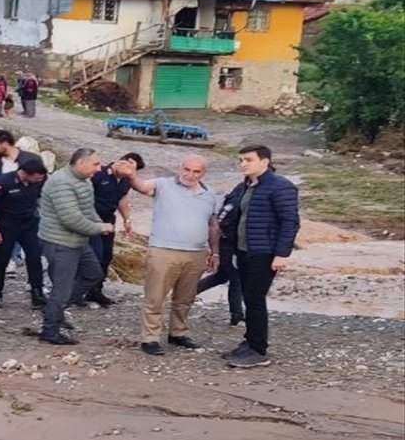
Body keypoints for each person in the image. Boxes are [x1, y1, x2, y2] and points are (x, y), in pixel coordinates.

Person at [122, 155, 219, 356]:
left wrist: (215, 252)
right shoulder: (163, 185)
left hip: (196, 253)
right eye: (187, 169)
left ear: (204, 173)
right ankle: (150, 338)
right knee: (155, 296)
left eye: (196, 171)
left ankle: (178, 332)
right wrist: (132, 175)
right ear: (180, 168)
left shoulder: (210, 194)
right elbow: (142, 186)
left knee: (185, 297)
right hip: (163, 250)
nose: (190, 175)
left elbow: (212, 225)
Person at [220, 145, 300, 368]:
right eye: (241, 160)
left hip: (264, 252)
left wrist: (282, 254)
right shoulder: (245, 186)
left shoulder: (280, 186)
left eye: (248, 160)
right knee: (249, 297)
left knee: (255, 299)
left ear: (264, 162)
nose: (243, 164)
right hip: (244, 251)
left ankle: (258, 350)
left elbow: (290, 222)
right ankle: (249, 342)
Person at [37, 148, 113, 345]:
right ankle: (50, 330)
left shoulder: (84, 180)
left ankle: (54, 310)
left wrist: (99, 223)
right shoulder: (62, 183)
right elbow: (71, 219)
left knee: (93, 274)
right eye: (95, 164)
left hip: (78, 241)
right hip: (61, 243)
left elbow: (87, 209)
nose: (99, 168)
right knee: (61, 289)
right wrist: (99, 228)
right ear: (80, 163)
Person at [0, 157, 49, 309]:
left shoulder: (39, 181)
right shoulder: (4, 182)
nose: (39, 180)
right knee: (1, 261)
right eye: (36, 177)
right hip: (6, 226)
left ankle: (37, 293)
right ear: (25, 173)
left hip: (29, 224)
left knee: (34, 258)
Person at [0, 130, 40, 290]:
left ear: (5, 143)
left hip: (27, 212)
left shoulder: (31, 159)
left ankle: (34, 283)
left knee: (33, 250)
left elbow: (41, 184)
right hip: (1, 213)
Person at [86, 152, 145, 306]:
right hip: (90, 220)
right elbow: (84, 196)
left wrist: (127, 219)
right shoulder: (99, 174)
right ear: (121, 162)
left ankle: (96, 290)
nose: (130, 172)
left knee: (106, 256)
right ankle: (80, 289)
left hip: (109, 220)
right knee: (94, 255)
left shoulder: (126, 180)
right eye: (129, 167)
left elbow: (122, 198)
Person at [195, 196, 246, 325]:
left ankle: (187, 293)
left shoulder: (237, 194)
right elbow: (223, 222)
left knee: (222, 276)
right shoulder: (241, 197)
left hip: (226, 243)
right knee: (237, 279)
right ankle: (237, 315)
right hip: (230, 245)